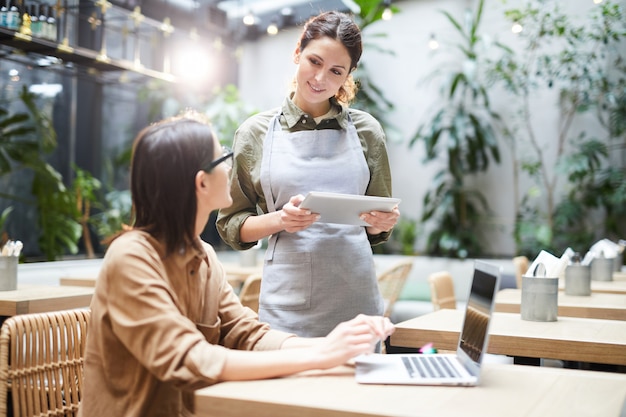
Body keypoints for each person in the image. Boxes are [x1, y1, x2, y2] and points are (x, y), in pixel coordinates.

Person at [78, 113, 395, 417]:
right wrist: (320, 356)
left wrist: (336, 344)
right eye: (222, 157)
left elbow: (247, 334)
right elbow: (189, 358)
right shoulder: (131, 258)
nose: (231, 164)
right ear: (202, 183)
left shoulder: (201, 255)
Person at [216, 11, 400, 337]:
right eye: (314, 61)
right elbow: (232, 225)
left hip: (356, 300)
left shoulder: (367, 131)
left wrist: (379, 222)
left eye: (335, 71)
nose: (320, 78)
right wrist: (280, 221)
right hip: (287, 305)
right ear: (297, 52)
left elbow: (376, 226)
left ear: (348, 76)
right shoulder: (255, 133)